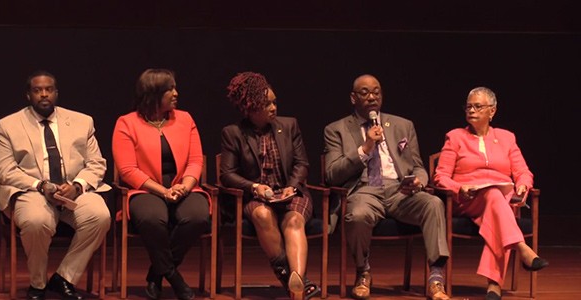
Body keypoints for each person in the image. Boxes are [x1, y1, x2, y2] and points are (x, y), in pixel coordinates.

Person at [323, 74, 450, 300]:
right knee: (357, 215)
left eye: (376, 92)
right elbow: (332, 174)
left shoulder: (403, 125)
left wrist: (419, 180)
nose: (372, 97)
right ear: (353, 98)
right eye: (365, 93)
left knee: (433, 203)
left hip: (400, 190)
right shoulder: (336, 129)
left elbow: (418, 167)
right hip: (364, 189)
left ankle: (436, 279)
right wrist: (366, 146)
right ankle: (363, 272)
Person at [0, 70, 111, 300]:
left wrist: (77, 186)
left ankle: (64, 278)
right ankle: (38, 284)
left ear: (56, 93)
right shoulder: (8, 125)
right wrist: (40, 185)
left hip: (74, 191)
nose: (44, 95)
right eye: (37, 91)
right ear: (28, 95)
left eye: (48, 90)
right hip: (32, 190)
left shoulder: (82, 121)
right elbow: (5, 170)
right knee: (36, 221)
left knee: (99, 216)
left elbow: (97, 163)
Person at [432, 87, 549, 300]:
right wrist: (460, 188)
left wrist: (523, 185)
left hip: (500, 201)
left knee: (496, 200)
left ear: (492, 111)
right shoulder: (455, 137)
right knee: (496, 198)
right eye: (469, 106)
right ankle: (521, 248)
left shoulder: (507, 138)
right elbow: (440, 176)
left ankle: (494, 287)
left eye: (478, 106)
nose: (472, 110)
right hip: (467, 200)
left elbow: (523, 171)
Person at [219, 71, 321, 300]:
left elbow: (302, 163)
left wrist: (292, 186)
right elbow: (227, 174)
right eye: (267, 104)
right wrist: (255, 187)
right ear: (250, 108)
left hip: (291, 192)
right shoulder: (233, 133)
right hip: (258, 197)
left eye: (274, 102)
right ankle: (295, 281)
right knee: (263, 215)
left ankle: (295, 282)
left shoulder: (290, 125)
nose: (274, 107)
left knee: (294, 219)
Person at [112, 68, 210, 300]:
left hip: (183, 186)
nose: (176, 93)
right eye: (170, 89)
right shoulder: (126, 123)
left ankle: (156, 274)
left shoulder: (185, 119)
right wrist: (163, 191)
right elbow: (127, 170)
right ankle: (174, 277)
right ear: (153, 94)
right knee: (152, 219)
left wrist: (184, 187)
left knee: (198, 216)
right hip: (145, 189)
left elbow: (196, 161)